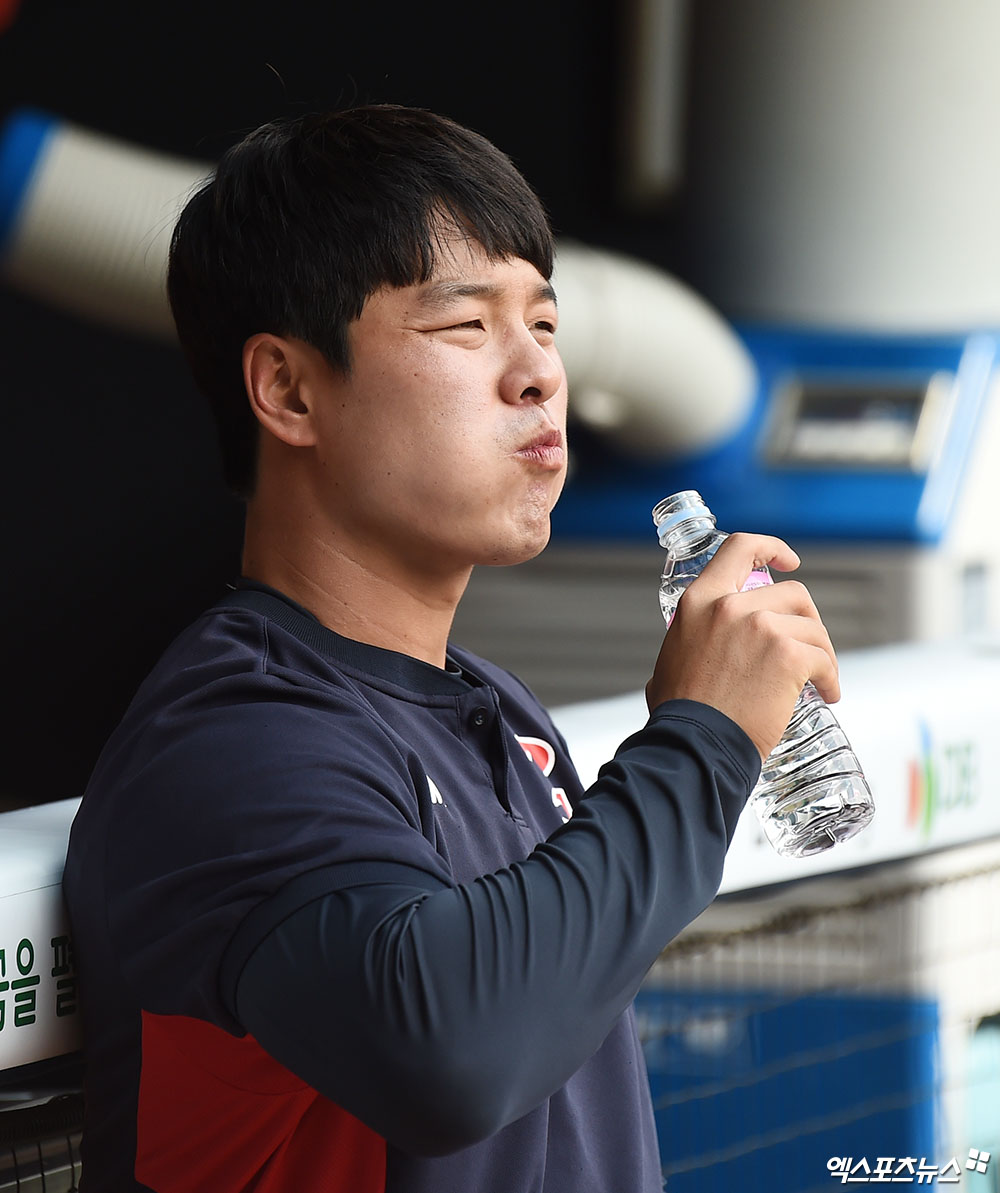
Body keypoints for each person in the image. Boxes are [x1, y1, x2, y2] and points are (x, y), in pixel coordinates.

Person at [62, 104, 839, 1192]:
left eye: (545, 324)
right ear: (288, 389)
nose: (537, 373)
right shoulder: (229, 733)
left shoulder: (498, 705)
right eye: (466, 326)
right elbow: (447, 1054)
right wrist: (703, 739)